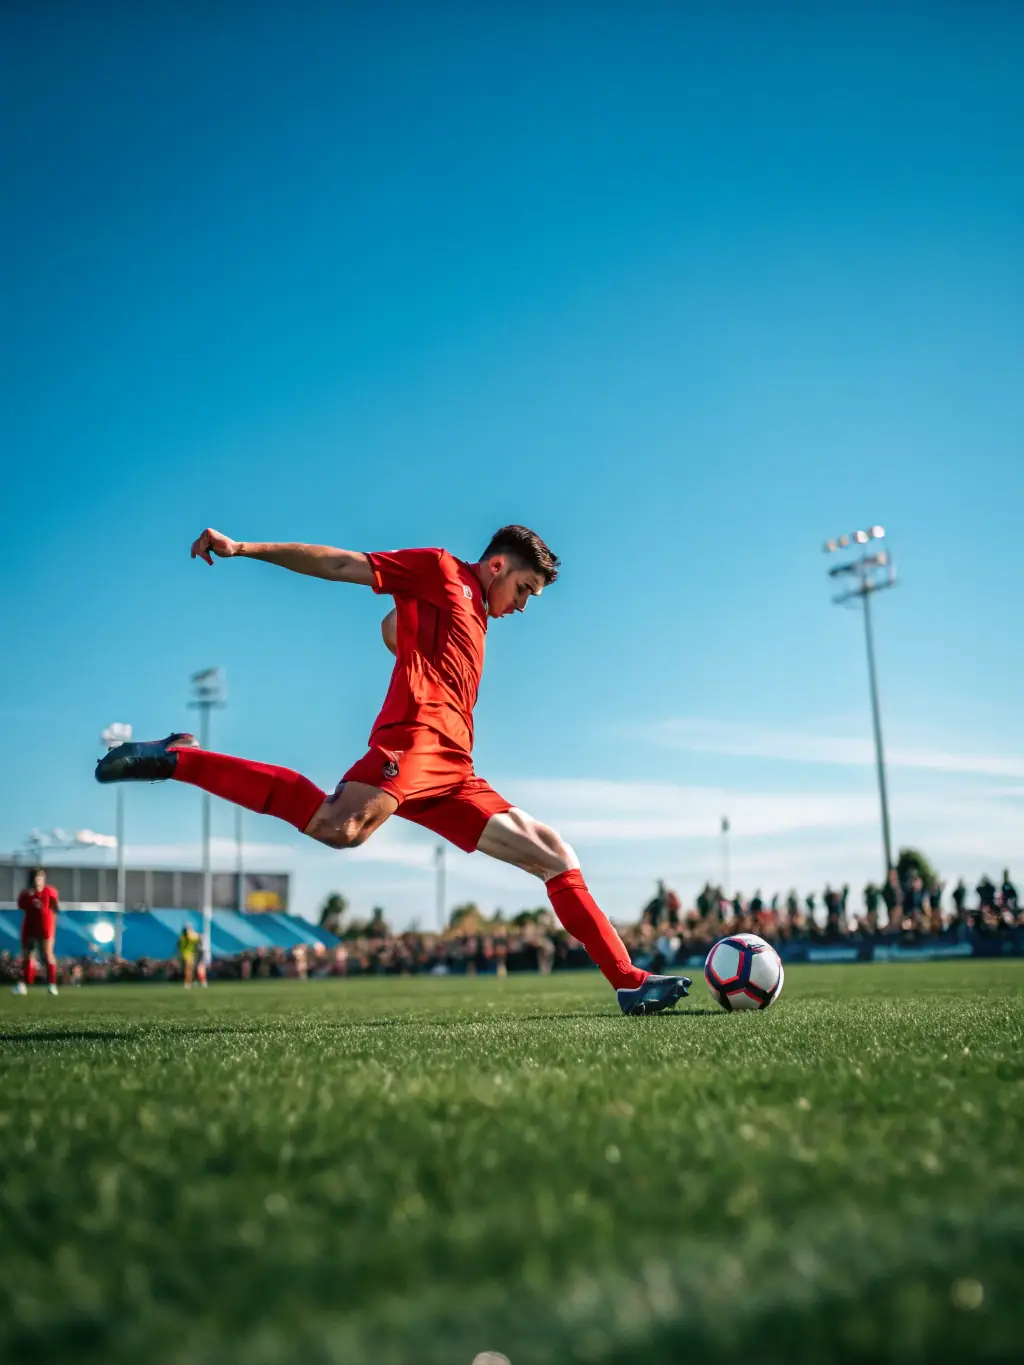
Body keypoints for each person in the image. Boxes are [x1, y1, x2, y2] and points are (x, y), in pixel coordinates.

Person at [96, 525, 690, 1016]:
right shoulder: (439, 569)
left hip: (455, 767)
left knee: (552, 853)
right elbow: (339, 565)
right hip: (416, 743)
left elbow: (391, 632)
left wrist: (411, 641)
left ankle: (630, 982)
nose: (523, 605)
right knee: (339, 828)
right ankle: (182, 758)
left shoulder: (476, 614)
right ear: (497, 565)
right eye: (526, 589)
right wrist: (246, 549)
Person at [13, 867, 60, 996]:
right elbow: (21, 906)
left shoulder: (50, 891)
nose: (38, 880)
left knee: (47, 955)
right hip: (30, 927)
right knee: (27, 956)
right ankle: (23, 984)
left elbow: (56, 908)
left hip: (45, 928)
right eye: (36, 877)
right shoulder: (26, 894)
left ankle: (52, 984)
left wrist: (51, 920)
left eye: (41, 877)